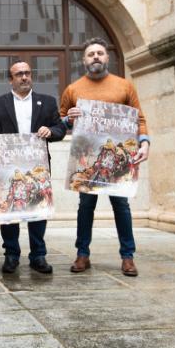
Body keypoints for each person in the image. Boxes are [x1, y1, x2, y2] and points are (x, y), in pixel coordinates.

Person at [60, 37, 150, 277]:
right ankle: (82, 254)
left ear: (107, 57)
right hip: (90, 161)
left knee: (121, 206)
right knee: (85, 208)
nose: (96, 57)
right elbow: (59, 120)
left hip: (120, 160)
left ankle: (128, 257)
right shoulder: (73, 89)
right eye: (91, 54)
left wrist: (144, 142)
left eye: (100, 53)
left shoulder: (124, 86)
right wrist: (69, 117)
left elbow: (139, 118)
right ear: (84, 60)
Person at [0, 61, 66, 274]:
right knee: (10, 209)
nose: (24, 77)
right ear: (10, 79)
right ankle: (11, 255)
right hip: (8, 169)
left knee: (38, 209)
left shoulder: (47, 102)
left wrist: (50, 131)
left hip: (37, 168)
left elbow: (60, 129)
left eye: (27, 73)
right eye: (19, 74)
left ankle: (38, 256)